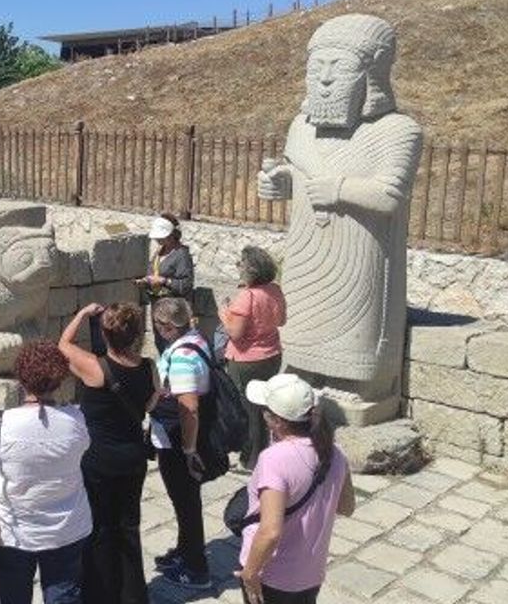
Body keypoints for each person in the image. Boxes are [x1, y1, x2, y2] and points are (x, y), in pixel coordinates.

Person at [58, 302, 155, 604]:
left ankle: (101, 594)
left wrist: (81, 314)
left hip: (99, 460)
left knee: (99, 527)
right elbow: (150, 405)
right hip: (133, 457)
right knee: (128, 525)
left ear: (106, 334)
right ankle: (133, 595)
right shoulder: (149, 367)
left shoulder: (95, 368)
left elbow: (63, 345)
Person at [0, 340, 91, 604]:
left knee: (12, 597)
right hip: (67, 527)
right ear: (60, 380)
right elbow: (83, 449)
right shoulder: (76, 420)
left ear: (21, 378)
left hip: (14, 531)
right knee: (63, 596)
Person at [236, 374, 354, 604]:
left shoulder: (273, 459)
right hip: (310, 573)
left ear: (277, 421)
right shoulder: (336, 453)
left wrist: (250, 574)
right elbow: (347, 507)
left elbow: (270, 532)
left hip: (272, 575)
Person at [149, 297, 214, 589]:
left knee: (186, 501)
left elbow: (189, 407)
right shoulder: (195, 339)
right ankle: (185, 550)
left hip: (179, 441)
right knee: (183, 501)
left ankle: (196, 568)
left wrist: (189, 451)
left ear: (165, 326)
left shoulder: (184, 356)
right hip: (176, 437)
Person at [220, 245, 286, 470]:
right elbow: (281, 320)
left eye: (240, 263)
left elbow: (235, 334)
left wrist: (224, 313)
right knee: (264, 405)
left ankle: (251, 459)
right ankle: (265, 449)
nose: (238, 267)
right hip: (271, 354)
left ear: (250, 270)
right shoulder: (274, 290)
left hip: (247, 359)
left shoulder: (246, 297)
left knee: (248, 410)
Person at [136, 214, 194, 353]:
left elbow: (186, 284)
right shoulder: (159, 252)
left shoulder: (181, 255)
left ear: (170, 235)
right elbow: (154, 272)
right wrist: (146, 281)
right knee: (161, 342)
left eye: (160, 237)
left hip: (173, 311)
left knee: (173, 343)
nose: (157, 240)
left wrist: (164, 281)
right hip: (158, 307)